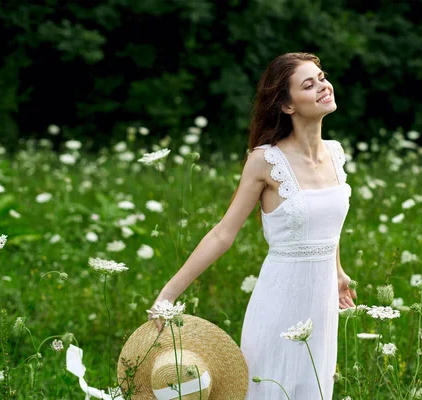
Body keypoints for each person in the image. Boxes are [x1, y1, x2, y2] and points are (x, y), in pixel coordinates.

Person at [149, 52, 356, 399]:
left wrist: (336, 273)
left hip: (320, 306)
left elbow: (326, 224)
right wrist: (168, 295)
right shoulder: (265, 160)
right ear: (288, 106)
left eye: (322, 77)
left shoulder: (335, 153)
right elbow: (222, 233)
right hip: (279, 302)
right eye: (309, 84)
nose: (323, 86)